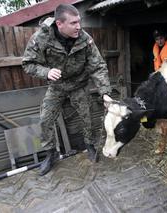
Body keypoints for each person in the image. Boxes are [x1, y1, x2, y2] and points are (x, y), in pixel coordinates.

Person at [22, 4, 112, 176]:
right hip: (57, 87)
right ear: (59, 23)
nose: (79, 26)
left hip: (79, 84)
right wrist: (46, 72)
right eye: (73, 23)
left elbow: (98, 66)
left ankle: (90, 146)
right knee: (45, 119)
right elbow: (28, 64)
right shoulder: (41, 38)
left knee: (87, 117)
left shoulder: (85, 39)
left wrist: (105, 92)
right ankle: (51, 153)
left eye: (79, 22)